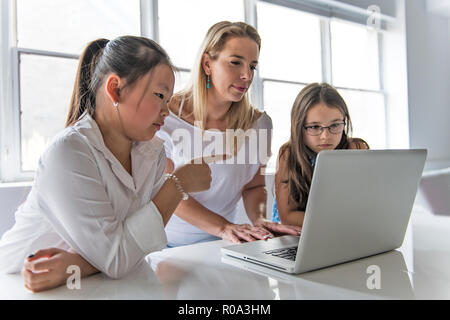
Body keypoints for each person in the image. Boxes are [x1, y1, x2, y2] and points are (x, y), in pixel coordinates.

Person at [0, 36, 212, 292]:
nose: (166, 111)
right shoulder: (69, 152)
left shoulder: (153, 152)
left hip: (90, 284)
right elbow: (119, 257)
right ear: (115, 89)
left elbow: (138, 245)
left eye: (168, 100)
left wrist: (80, 265)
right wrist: (178, 184)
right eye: (159, 95)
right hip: (19, 286)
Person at [156, 21, 301, 247]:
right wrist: (223, 226)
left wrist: (260, 219)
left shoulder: (260, 124)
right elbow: (168, 192)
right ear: (207, 64)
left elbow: (254, 186)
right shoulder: (164, 117)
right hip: (163, 246)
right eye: (235, 63)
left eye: (252, 66)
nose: (246, 75)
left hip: (222, 244)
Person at [272, 83, 370, 226]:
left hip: (344, 231)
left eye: (335, 125)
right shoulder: (289, 154)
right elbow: (288, 216)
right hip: (296, 234)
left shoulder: (355, 148)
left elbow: (367, 203)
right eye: (314, 127)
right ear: (298, 127)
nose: (325, 136)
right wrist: (338, 221)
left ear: (344, 121)